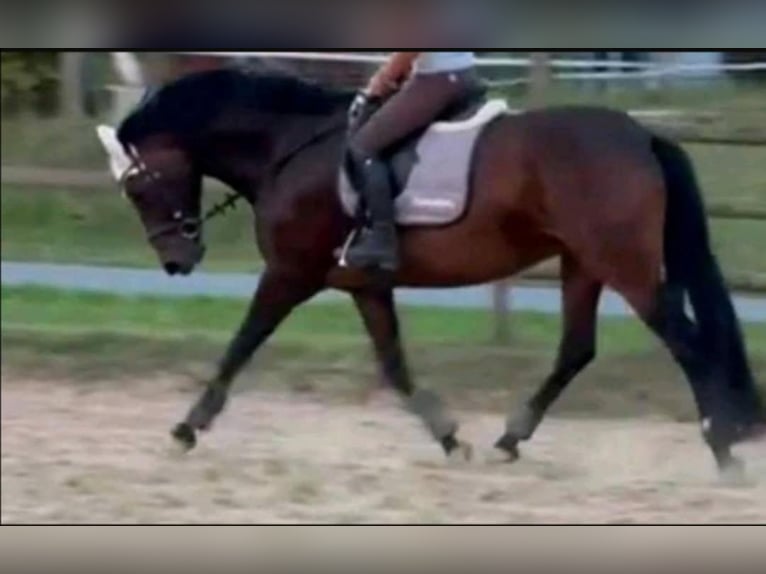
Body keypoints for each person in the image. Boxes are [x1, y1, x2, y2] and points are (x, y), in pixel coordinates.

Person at [344, 51, 484, 272]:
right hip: (465, 75)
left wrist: (380, 82)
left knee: (364, 146)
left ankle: (381, 238)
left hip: (436, 81)